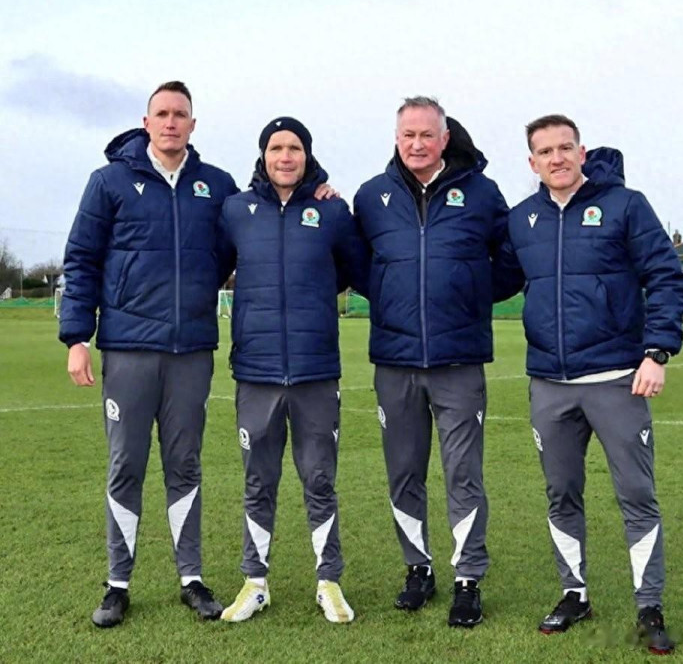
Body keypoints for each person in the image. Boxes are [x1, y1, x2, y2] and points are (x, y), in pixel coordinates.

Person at [504, 114, 683, 654]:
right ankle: (575, 594)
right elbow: (490, 278)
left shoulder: (625, 206)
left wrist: (657, 352)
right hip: (549, 384)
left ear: (581, 153)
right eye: (545, 151)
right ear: (532, 162)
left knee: (636, 495)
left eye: (565, 148)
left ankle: (648, 606)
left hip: (616, 380)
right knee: (561, 493)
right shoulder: (522, 219)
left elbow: (667, 277)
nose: (556, 158)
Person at [59, 81, 240, 627]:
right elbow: (82, 259)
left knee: (185, 465)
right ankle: (118, 584)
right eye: (161, 113)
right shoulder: (109, 181)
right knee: (126, 465)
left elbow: (250, 227)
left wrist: (317, 183)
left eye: (180, 114)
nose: (170, 122)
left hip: (191, 352)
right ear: (146, 122)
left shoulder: (217, 186)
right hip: (129, 350)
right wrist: (76, 339)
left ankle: (192, 579)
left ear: (193, 124)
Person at [353, 97, 520, 627]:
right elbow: (357, 264)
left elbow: (510, 260)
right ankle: (418, 569)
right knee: (404, 473)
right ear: (396, 138)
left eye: (427, 134)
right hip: (395, 360)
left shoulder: (482, 193)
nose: (417, 144)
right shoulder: (372, 197)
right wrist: (391, 294)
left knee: (463, 474)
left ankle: (468, 579)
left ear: (445, 138)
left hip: (458, 361)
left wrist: (469, 293)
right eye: (408, 135)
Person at [218, 117, 368, 624]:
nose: (286, 157)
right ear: (263, 155)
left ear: (308, 155)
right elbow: (212, 267)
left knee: (319, 479)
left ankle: (329, 582)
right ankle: (254, 582)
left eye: (295, 148)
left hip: (315, 371)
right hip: (256, 372)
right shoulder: (236, 210)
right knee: (258, 482)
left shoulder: (332, 212)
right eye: (276, 148)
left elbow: (353, 270)